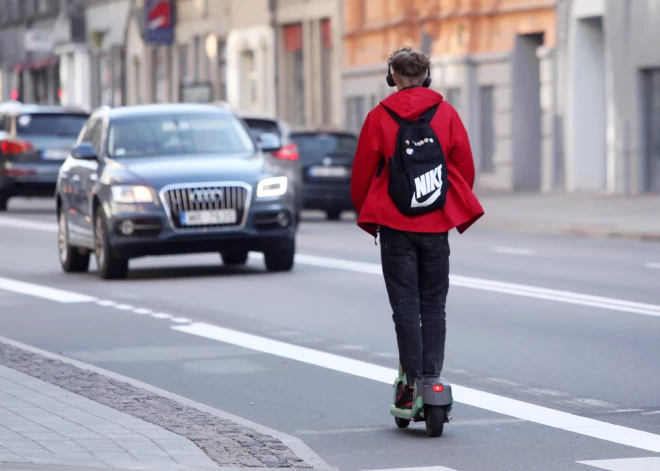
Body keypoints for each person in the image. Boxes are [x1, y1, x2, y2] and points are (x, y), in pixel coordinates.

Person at [350, 47, 484, 408]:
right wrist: (444, 201)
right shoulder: (447, 113)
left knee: (405, 305)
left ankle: (409, 384)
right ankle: (432, 377)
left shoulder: (379, 117)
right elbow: (465, 168)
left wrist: (368, 210)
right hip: (435, 224)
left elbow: (362, 173)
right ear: (427, 76)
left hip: (395, 225)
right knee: (434, 306)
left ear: (391, 77)